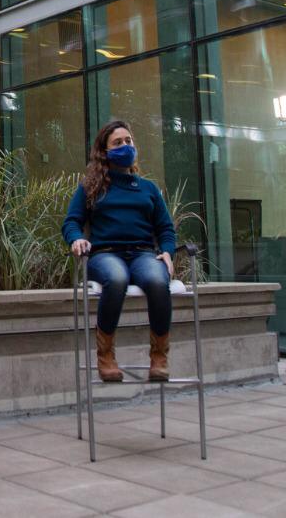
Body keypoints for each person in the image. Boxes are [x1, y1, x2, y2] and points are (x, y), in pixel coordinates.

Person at [62, 119, 176, 382]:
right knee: (116, 279)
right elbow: (71, 221)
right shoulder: (91, 186)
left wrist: (168, 252)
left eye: (129, 141)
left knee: (159, 281)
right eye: (118, 143)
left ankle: (159, 356)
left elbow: (165, 229)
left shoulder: (148, 188)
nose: (125, 146)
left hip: (143, 254)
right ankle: (106, 356)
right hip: (105, 254)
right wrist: (76, 239)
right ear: (105, 151)